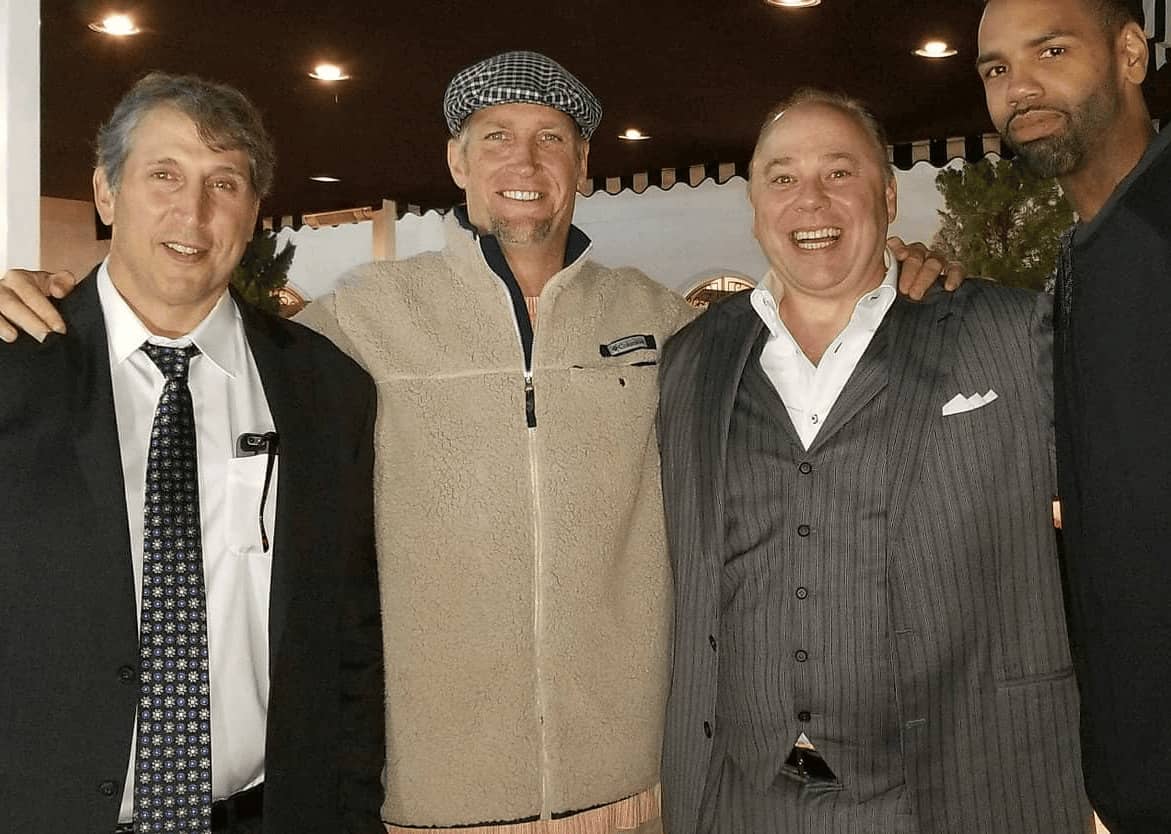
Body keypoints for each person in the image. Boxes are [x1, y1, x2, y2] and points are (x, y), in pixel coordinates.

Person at [0, 53, 957, 833]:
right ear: (456, 163)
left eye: (551, 138)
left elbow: (804, 357)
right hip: (429, 800)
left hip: (632, 789)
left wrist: (897, 276)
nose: (523, 160)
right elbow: (185, 318)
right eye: (494, 136)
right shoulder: (353, 328)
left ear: (583, 163)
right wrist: (51, 301)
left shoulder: (669, 327)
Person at [657, 88, 1092, 834]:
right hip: (744, 797)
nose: (810, 200)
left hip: (960, 789)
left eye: (839, 172)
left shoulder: (1011, 333)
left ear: (887, 196)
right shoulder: (691, 357)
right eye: (782, 177)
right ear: (754, 205)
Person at [0, 72, 385, 833]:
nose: (195, 212)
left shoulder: (326, 389)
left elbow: (350, 636)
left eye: (225, 183)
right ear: (107, 193)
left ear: (253, 211)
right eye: (164, 175)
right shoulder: (14, 366)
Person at [978, 2, 1171, 830]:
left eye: (1050, 51)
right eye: (994, 69)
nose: (1018, 87)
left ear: (1129, 53)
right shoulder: (1085, 250)